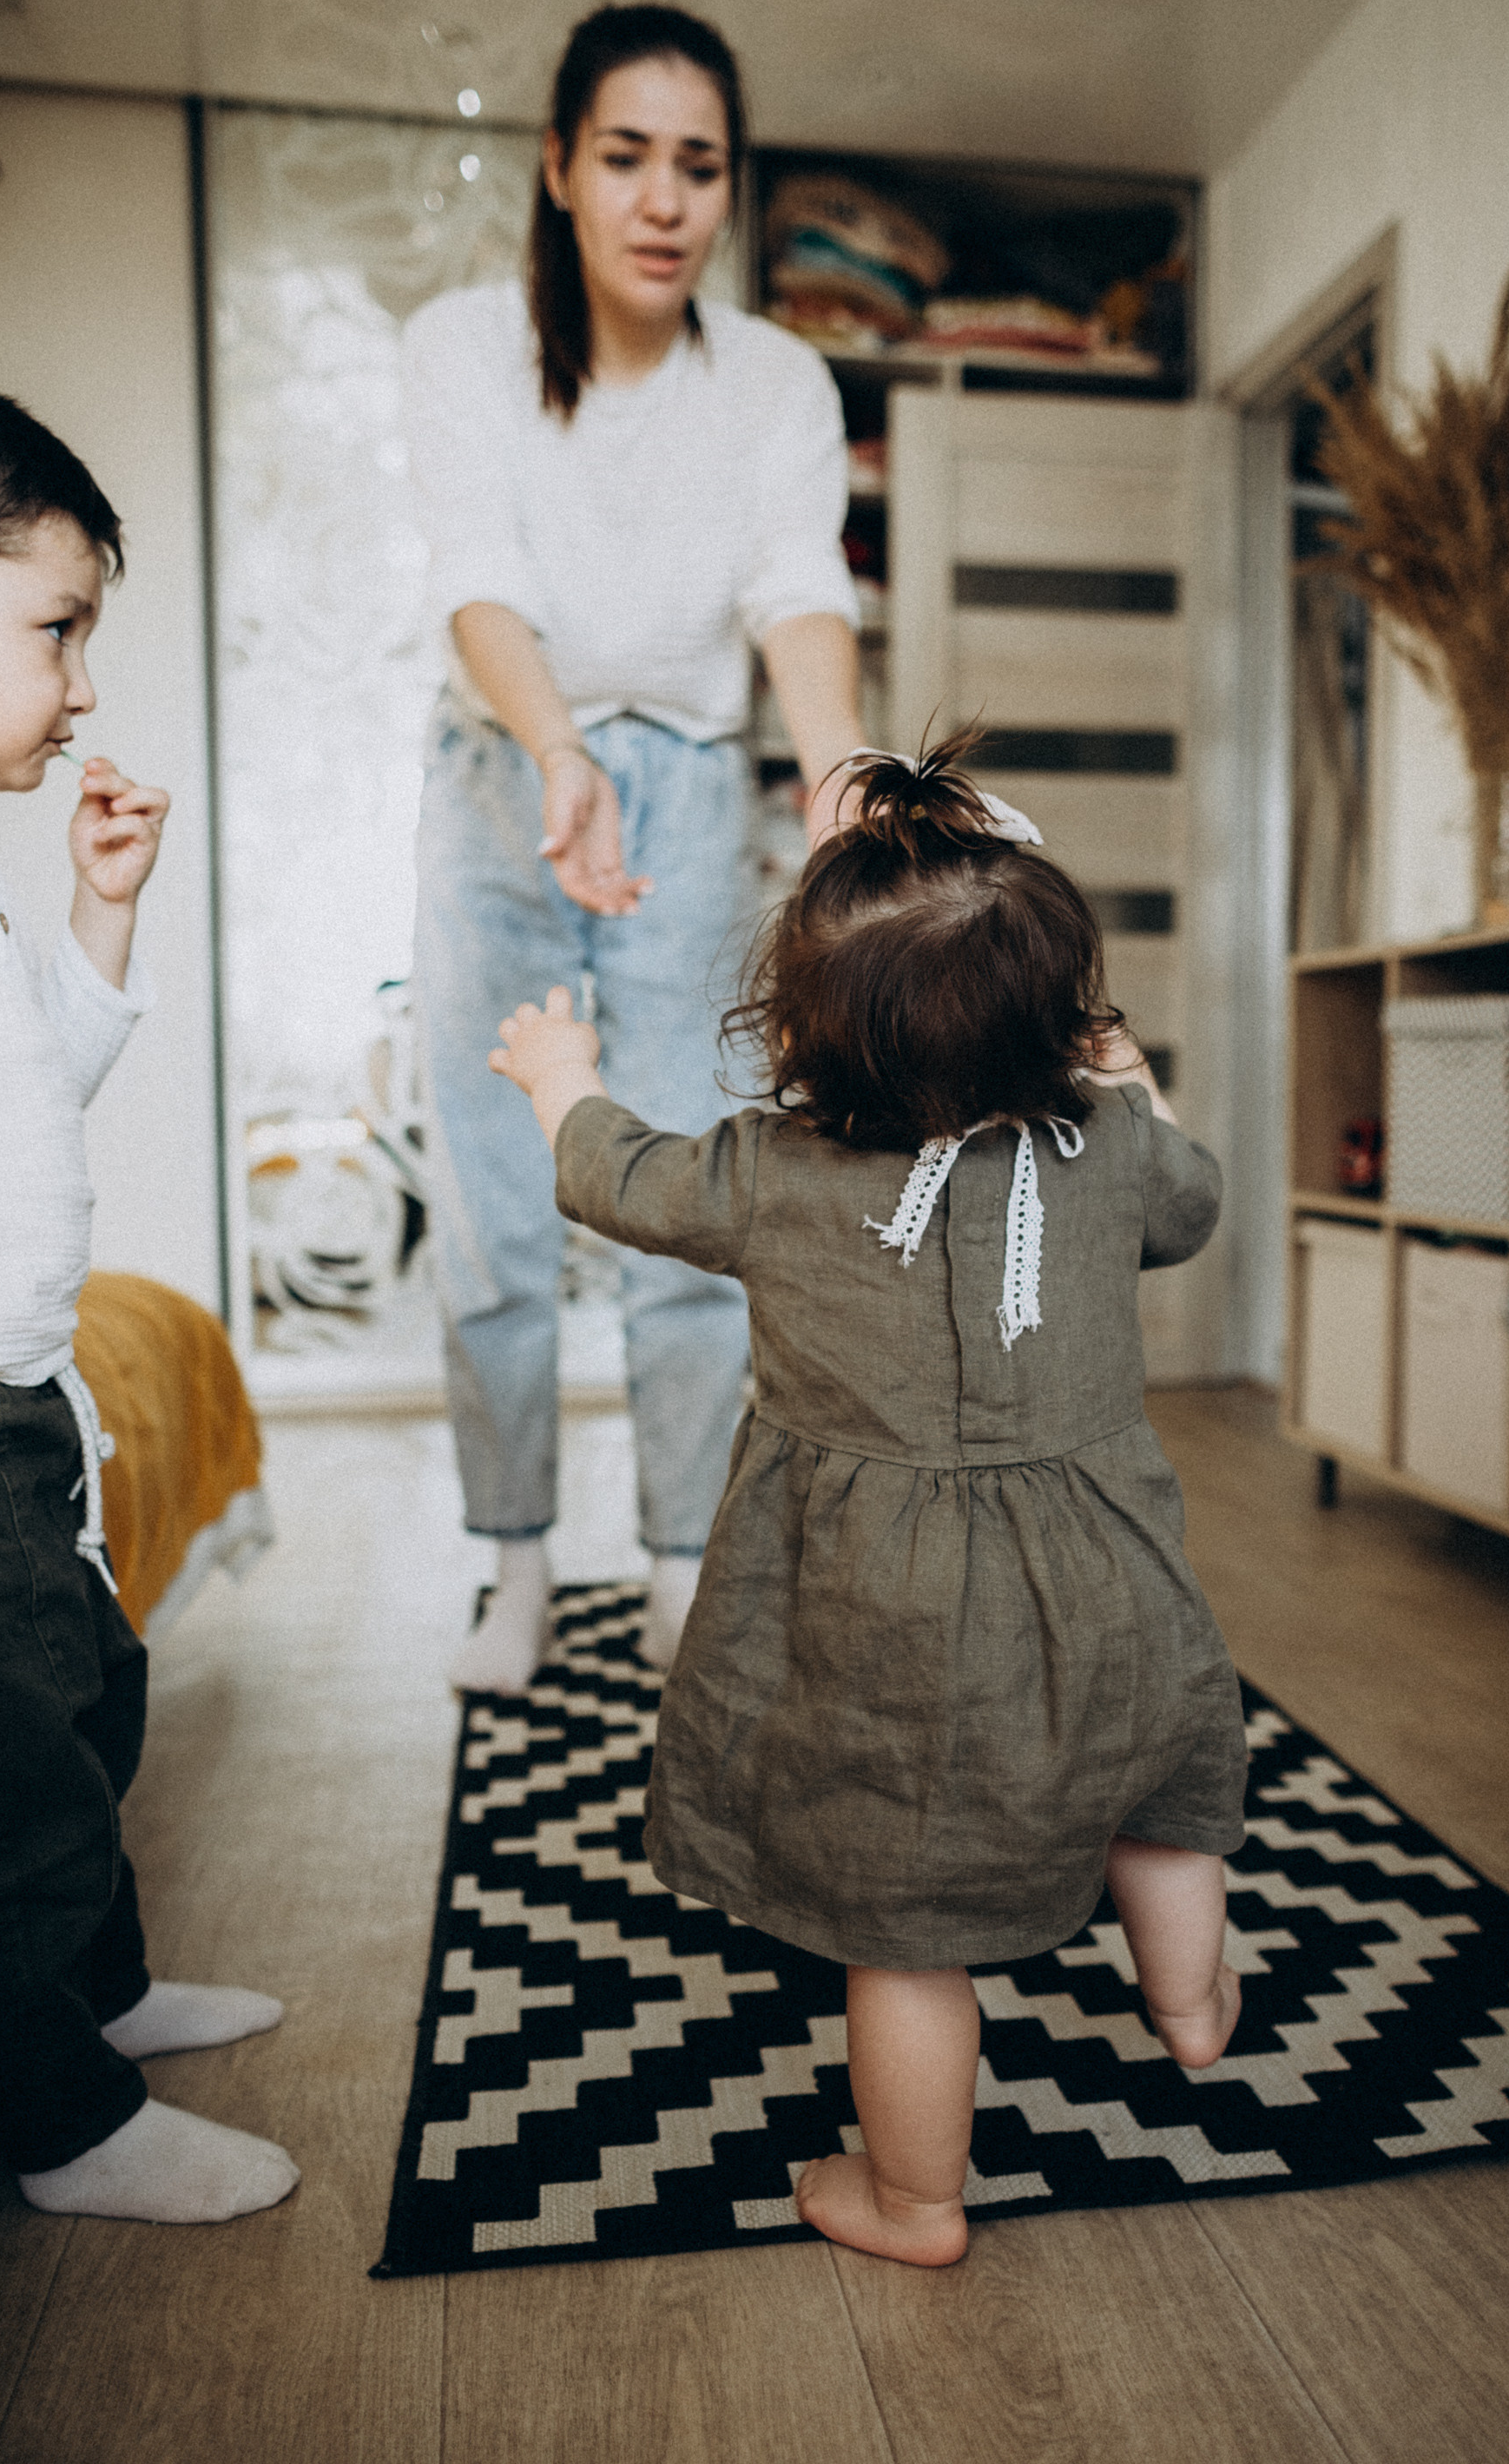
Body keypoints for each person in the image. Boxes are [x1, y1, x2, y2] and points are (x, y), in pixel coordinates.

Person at [487, 729, 1249, 2269]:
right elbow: (1192, 1201)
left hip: (890, 1630)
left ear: (808, 1034)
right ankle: (1192, 2005)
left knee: (908, 1941)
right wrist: (1137, 1085)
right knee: (1158, 1801)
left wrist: (562, 1082)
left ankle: (913, 2200)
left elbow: (614, 1180)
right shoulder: (1107, 1152)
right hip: (1116, 1590)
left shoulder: (771, 1169)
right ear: (1065, 1019)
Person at [402, 3, 866, 1694]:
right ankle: (512, 1569)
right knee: (500, 1198)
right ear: (558, 166)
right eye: (625, 158)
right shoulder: (464, 347)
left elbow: (798, 592)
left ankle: (681, 1570)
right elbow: (478, 577)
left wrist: (836, 784)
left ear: (731, 188)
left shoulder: (780, 383)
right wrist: (550, 748)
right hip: (498, 773)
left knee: (691, 1193)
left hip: (685, 786)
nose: (665, 201)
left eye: (700, 165)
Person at [0, 392, 297, 2224]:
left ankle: (102, 1995)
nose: (84, 684)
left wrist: (102, 919)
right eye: (54, 629)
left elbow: (34, 1095)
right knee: (10, 1783)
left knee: (91, 1702)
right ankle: (61, 2118)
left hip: (28, 1406)